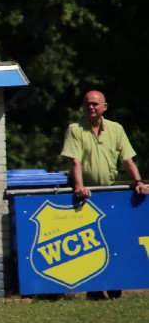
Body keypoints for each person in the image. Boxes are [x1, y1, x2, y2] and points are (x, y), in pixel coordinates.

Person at [60, 89, 147, 300]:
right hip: (86, 196)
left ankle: (115, 285)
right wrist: (79, 187)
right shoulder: (75, 129)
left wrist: (138, 182)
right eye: (87, 104)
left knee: (114, 240)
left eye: (95, 104)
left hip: (110, 193)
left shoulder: (116, 129)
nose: (91, 107)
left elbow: (127, 160)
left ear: (104, 107)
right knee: (91, 246)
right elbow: (75, 161)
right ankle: (95, 290)